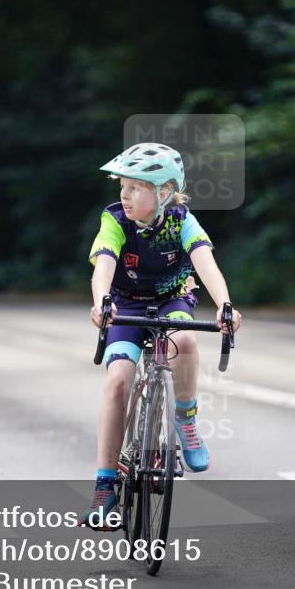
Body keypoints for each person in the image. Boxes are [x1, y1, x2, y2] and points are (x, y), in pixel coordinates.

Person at [85, 143, 242, 529]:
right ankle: (105, 485)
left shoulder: (182, 220)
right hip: (125, 306)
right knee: (117, 383)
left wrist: (224, 305)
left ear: (164, 192)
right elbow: (103, 265)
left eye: (135, 188)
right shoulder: (115, 220)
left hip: (172, 300)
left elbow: (206, 264)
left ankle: (185, 419)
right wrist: (102, 301)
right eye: (122, 186)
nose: (124, 195)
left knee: (185, 340)